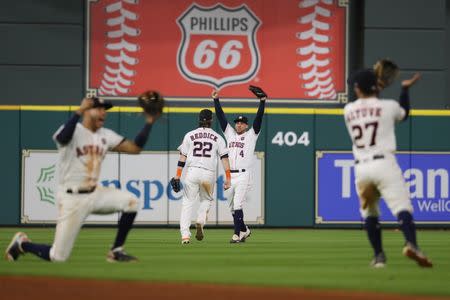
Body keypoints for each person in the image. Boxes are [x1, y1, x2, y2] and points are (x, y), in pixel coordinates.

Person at [5, 96, 160, 262]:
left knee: (131, 202)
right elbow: (62, 138)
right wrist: (78, 111)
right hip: (71, 197)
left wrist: (149, 122)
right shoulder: (73, 130)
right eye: (99, 109)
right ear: (87, 110)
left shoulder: (105, 135)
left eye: (104, 110)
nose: (103, 113)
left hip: (95, 194)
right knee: (57, 256)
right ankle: (22, 244)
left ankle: (116, 251)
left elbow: (135, 148)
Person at [344, 69, 432, 268]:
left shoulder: (348, 110)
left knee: (370, 213)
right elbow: (404, 113)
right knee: (402, 207)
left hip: (362, 169)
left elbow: (367, 102)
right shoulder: (389, 106)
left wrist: (375, 87)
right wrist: (404, 90)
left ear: (358, 89)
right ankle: (412, 245)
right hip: (383, 163)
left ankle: (379, 257)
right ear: (376, 86)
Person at [212, 87, 266, 243]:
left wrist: (262, 102)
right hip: (231, 175)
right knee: (231, 208)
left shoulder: (251, 135)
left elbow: (259, 119)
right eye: (237, 123)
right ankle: (244, 230)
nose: (239, 125)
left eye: (242, 123)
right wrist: (216, 100)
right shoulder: (230, 134)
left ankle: (236, 234)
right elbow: (221, 118)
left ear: (247, 126)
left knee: (237, 204)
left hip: (244, 175)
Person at [172, 109, 231, 244]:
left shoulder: (189, 135)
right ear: (211, 120)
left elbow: (182, 157)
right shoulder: (217, 137)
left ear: (199, 119)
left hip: (192, 172)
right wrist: (228, 178)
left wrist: (177, 176)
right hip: (208, 173)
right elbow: (225, 159)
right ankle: (200, 220)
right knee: (206, 200)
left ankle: (185, 236)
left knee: (187, 203)